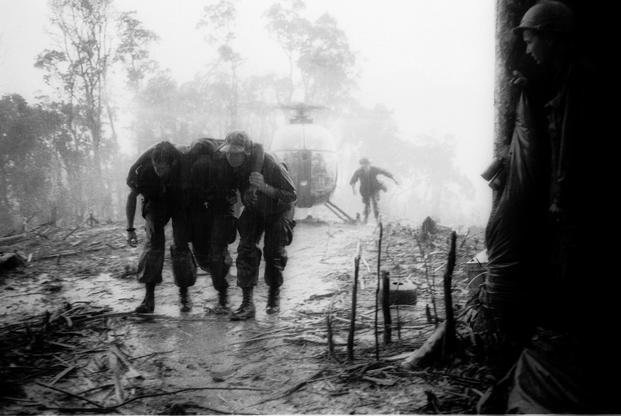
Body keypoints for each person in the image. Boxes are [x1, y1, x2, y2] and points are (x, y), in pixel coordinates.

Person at [481, 1, 616, 413]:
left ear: (553, 37)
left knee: (573, 285)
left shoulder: (580, 79)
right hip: (568, 202)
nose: (527, 47)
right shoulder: (564, 77)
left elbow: (573, 147)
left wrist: (560, 199)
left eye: (531, 38)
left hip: (578, 205)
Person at [221, 131, 296, 320]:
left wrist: (264, 187)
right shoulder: (230, 166)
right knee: (246, 248)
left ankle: (274, 294)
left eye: (236, 153)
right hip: (255, 209)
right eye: (228, 152)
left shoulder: (271, 163)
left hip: (279, 209)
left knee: (274, 251)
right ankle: (248, 303)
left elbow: (291, 195)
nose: (231, 156)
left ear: (246, 152)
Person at [188, 137, 264, 314]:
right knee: (206, 255)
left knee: (218, 251)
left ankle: (224, 297)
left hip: (223, 207)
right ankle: (222, 285)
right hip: (202, 208)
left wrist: (249, 189)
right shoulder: (196, 164)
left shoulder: (226, 158)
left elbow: (257, 147)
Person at [125, 141, 196, 313]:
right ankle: (149, 298)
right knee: (154, 245)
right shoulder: (145, 171)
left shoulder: (185, 168)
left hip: (179, 201)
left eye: (162, 168)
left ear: (172, 164)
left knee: (180, 245)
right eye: (156, 166)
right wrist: (130, 229)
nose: (158, 171)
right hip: (155, 201)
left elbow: (194, 198)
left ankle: (184, 294)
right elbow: (132, 197)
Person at [349, 158, 398, 223]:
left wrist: (394, 179)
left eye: (367, 164)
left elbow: (385, 172)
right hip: (365, 190)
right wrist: (353, 189)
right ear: (361, 165)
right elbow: (353, 181)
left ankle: (377, 220)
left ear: (369, 164)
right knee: (367, 204)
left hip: (374, 188)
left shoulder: (374, 169)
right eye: (363, 165)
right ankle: (365, 219)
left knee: (375, 203)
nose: (365, 166)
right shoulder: (358, 171)